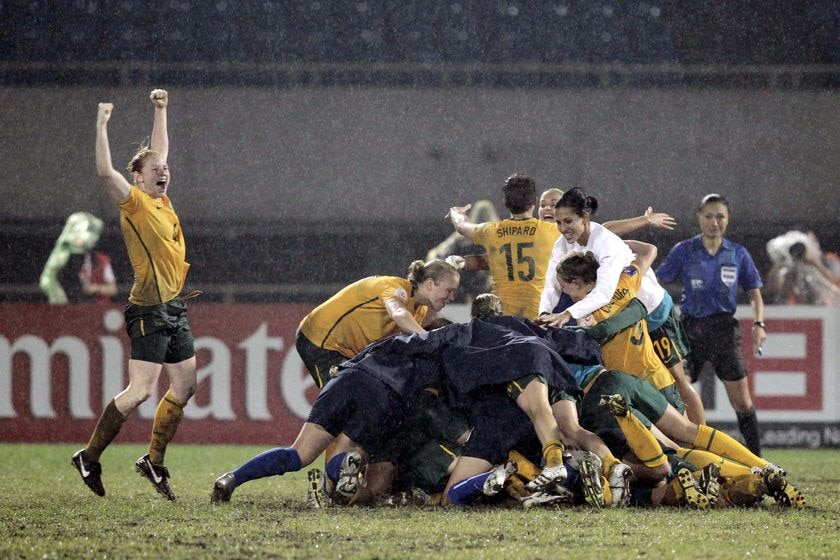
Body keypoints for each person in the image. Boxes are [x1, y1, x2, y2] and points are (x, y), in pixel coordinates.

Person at [71, 89, 197, 501]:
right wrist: (101, 125)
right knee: (141, 391)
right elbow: (107, 173)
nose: (163, 171)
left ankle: (153, 462)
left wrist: (161, 110)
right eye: (153, 170)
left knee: (185, 386)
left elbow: (159, 151)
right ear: (139, 179)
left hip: (174, 307)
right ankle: (89, 457)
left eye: (165, 168)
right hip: (148, 308)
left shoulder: (162, 198)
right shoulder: (137, 203)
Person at [537, 188, 704, 424]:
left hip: (651, 310)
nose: (563, 228)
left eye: (568, 221)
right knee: (634, 381)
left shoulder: (605, 244)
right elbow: (552, 283)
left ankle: (700, 439)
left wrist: (567, 314)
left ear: (584, 218)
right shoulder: (563, 244)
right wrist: (544, 313)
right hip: (620, 315)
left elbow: (604, 293)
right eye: (559, 222)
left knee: (676, 380)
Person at [656, 193, 766, 456]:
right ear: (699, 218)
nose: (714, 222)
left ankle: (760, 463)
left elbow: (754, 292)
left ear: (727, 220)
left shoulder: (738, 253)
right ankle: (679, 455)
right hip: (689, 330)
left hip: (724, 330)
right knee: (674, 392)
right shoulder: (684, 250)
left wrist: (759, 323)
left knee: (742, 401)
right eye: (708, 216)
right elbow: (657, 282)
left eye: (720, 217)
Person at [295, 259, 460, 389]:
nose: (452, 297)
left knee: (361, 404)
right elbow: (398, 313)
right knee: (345, 404)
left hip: (348, 353)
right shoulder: (395, 288)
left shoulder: (420, 309)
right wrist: (430, 339)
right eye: (449, 290)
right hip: (320, 340)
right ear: (430, 284)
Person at [448, 174, 560, 320]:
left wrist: (456, 212)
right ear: (534, 202)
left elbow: (462, 226)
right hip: (538, 317)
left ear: (505, 202)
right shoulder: (553, 232)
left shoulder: (492, 231)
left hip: (503, 317)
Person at [39, 212, 117, 304]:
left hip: (97, 308)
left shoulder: (101, 260)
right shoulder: (61, 257)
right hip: (70, 306)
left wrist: (94, 289)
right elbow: (48, 282)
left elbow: (113, 290)